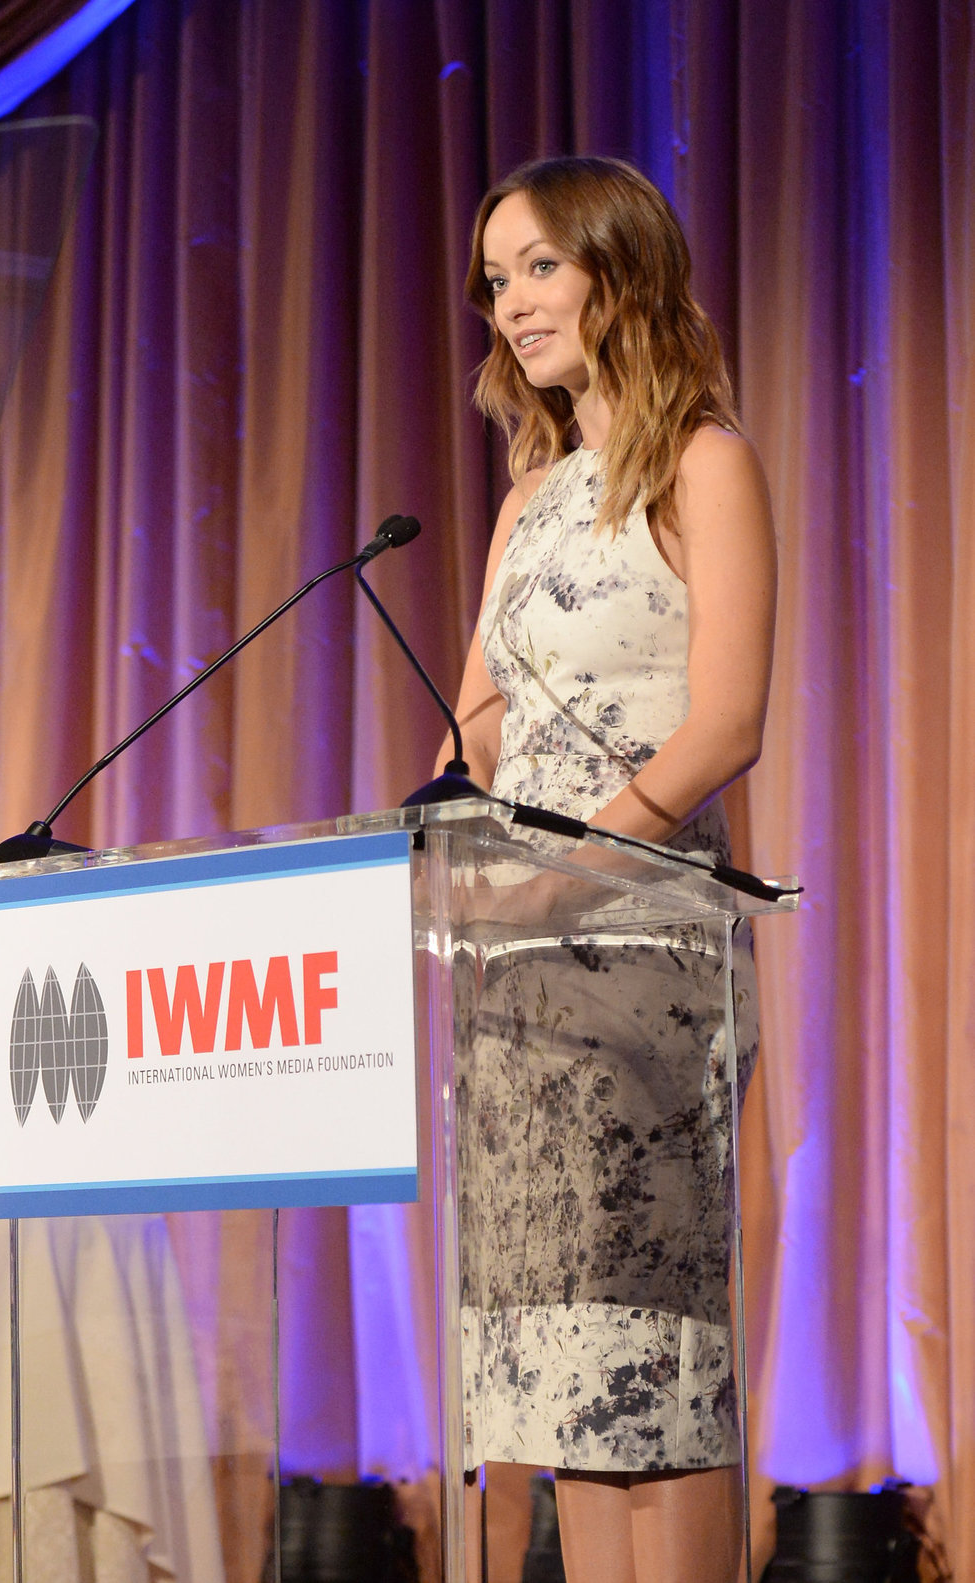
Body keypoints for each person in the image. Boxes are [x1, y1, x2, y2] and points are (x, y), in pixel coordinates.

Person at [434, 156, 777, 1583]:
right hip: (511, 972)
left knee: (650, 1357)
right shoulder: (527, 502)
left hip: (642, 959)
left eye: (538, 267)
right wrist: (458, 842)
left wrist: (571, 871)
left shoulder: (702, 459)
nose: (511, 304)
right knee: (558, 1367)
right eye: (496, 278)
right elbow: (476, 722)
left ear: (617, 271)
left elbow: (725, 723)